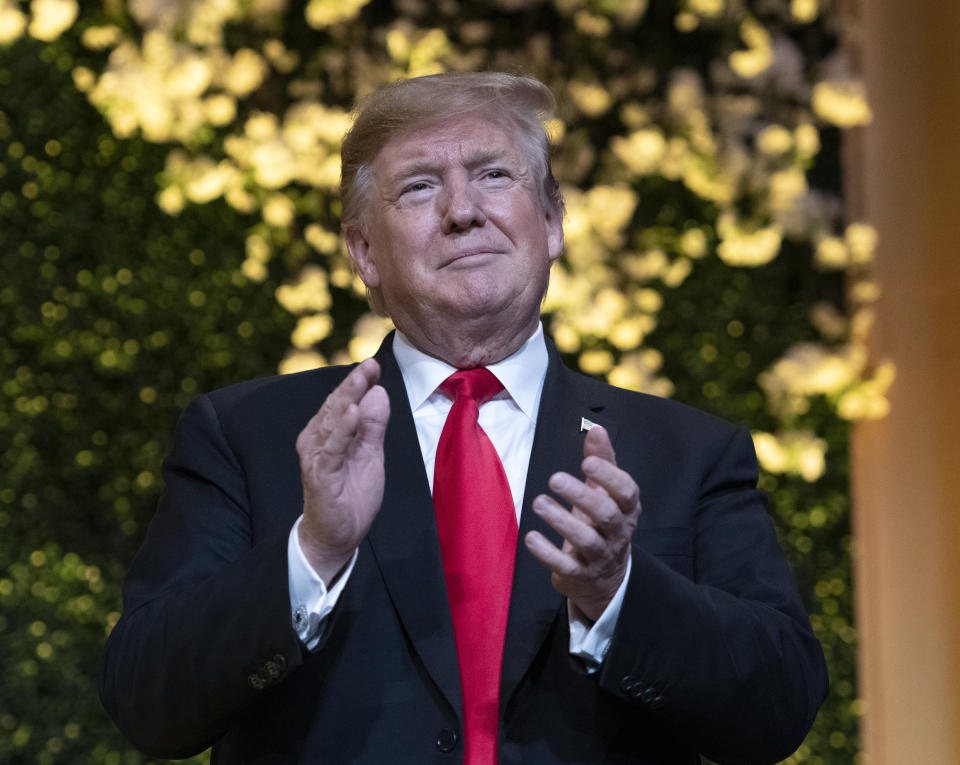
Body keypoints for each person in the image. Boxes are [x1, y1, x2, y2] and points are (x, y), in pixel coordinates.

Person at [100, 72, 827, 764]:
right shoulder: (251, 434)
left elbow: (779, 709)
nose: (462, 209)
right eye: (419, 187)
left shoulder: (690, 451)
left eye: (493, 174)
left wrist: (619, 592)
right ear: (364, 253)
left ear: (552, 222)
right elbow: (147, 704)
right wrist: (311, 553)